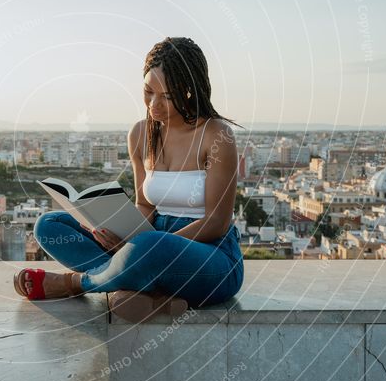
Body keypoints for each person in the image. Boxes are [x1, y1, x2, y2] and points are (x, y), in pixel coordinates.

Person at [14, 36, 244, 322]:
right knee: (49, 225)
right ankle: (144, 291)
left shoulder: (216, 135)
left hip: (210, 256)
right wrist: (118, 236)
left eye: (167, 96)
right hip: (148, 242)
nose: (153, 105)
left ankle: (75, 283)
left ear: (189, 92)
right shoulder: (140, 134)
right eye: (148, 92)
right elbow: (146, 205)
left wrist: (140, 247)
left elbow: (216, 222)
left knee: (150, 248)